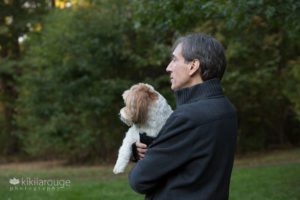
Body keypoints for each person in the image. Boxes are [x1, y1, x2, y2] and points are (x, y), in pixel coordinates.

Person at [129, 33, 237, 200]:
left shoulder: (188, 117)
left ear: (193, 66)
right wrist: (143, 151)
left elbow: (139, 180)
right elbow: (192, 160)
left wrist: (146, 161)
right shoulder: (226, 108)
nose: (168, 67)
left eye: (174, 60)